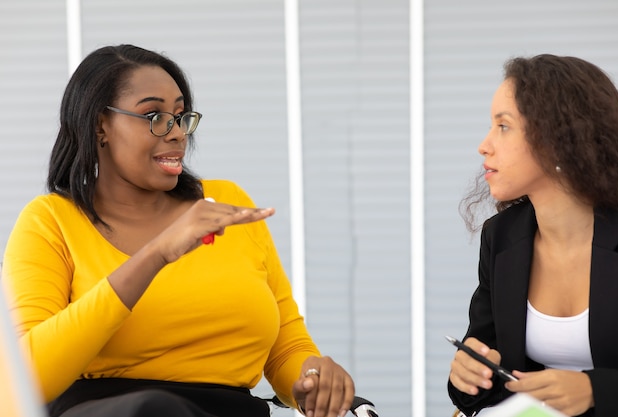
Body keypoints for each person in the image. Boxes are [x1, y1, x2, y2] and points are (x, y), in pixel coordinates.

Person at [1, 44, 354, 417]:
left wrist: (313, 379)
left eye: (180, 116)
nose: (176, 133)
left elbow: (286, 347)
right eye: (153, 115)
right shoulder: (51, 220)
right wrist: (157, 254)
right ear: (99, 124)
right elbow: (23, 382)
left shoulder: (225, 205)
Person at [447, 54, 618, 417]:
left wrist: (596, 390)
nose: (484, 144)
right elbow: (485, 370)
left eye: (504, 126)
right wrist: (468, 375)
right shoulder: (501, 237)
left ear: (558, 140)